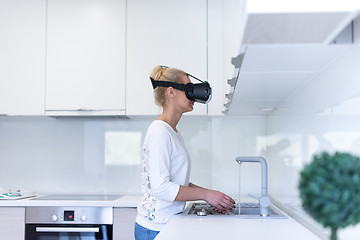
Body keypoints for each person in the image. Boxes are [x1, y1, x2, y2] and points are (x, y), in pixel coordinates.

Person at [134, 65, 235, 240]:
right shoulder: (160, 132)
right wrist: (206, 195)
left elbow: (177, 182)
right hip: (155, 229)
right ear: (171, 92)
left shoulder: (173, 132)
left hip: (165, 225)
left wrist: (211, 195)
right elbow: (161, 188)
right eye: (189, 89)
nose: (194, 95)